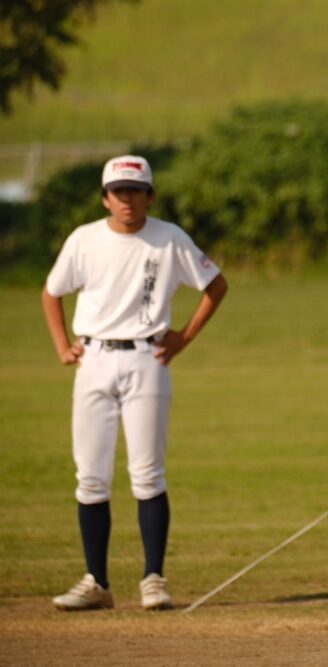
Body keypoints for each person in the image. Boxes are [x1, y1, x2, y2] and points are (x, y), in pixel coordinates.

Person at [42, 155, 228, 611]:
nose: (128, 200)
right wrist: (63, 345)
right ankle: (96, 582)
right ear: (106, 197)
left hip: (147, 358)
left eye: (136, 191)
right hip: (95, 358)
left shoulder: (169, 238)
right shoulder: (84, 240)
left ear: (151, 195)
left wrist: (183, 337)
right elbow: (52, 291)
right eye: (119, 192)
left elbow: (216, 285)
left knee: (147, 473)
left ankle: (153, 580)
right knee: (90, 477)